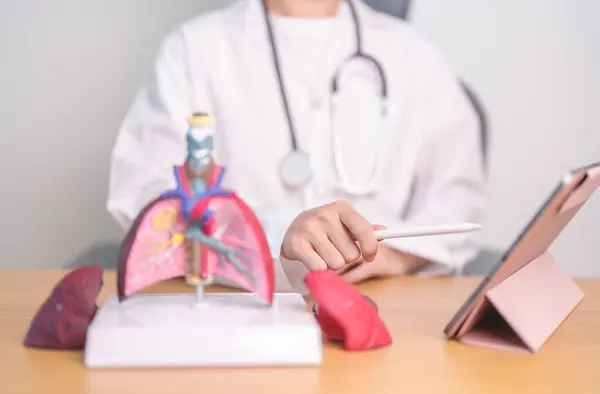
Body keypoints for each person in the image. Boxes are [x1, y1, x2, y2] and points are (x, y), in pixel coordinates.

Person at [107, 0, 487, 283]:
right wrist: (274, 233)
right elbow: (142, 194)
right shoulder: (192, 51)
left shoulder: (413, 55)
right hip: (239, 299)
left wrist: (394, 257)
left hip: (383, 303)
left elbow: (458, 202)